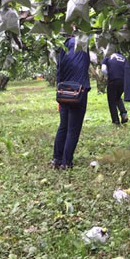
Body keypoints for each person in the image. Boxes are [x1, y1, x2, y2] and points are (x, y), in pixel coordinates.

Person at [51, 36, 91, 170]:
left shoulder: (64, 45)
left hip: (64, 91)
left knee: (63, 126)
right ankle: (66, 162)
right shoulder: (83, 42)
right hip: (78, 92)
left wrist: (59, 89)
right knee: (73, 129)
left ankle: (56, 159)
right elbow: (85, 64)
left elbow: (59, 69)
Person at [101, 52, 129, 125]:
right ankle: (124, 114)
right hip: (123, 80)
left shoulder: (107, 58)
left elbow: (103, 69)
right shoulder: (123, 58)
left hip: (113, 80)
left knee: (111, 101)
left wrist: (107, 77)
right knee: (117, 97)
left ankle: (115, 120)